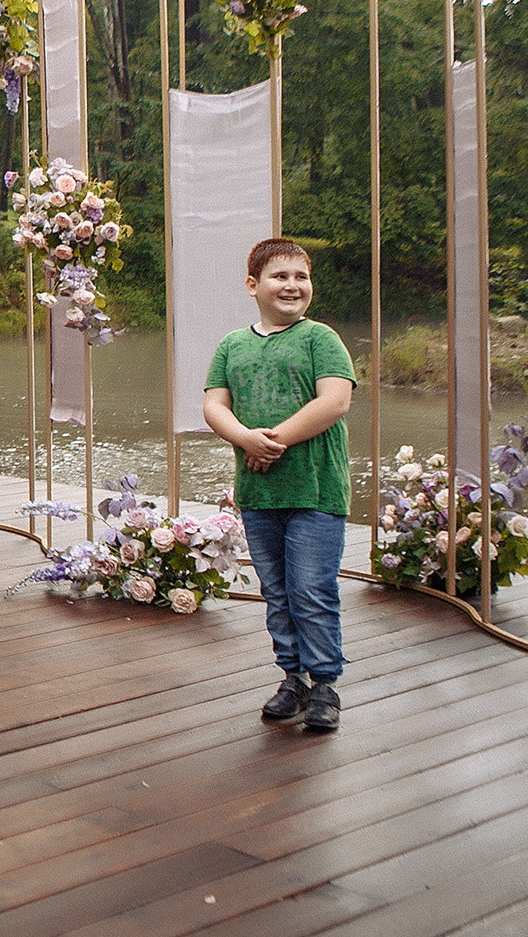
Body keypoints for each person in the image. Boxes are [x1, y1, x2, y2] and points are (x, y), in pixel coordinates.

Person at [203, 237, 357, 734]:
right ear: (253, 285)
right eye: (279, 276)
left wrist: (273, 442)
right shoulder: (232, 345)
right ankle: (291, 678)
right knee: (278, 592)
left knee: (312, 589)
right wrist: (245, 437)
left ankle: (325, 684)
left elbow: (334, 402)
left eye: (301, 277)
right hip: (260, 494)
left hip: (315, 491)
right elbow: (214, 405)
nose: (292, 286)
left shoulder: (320, 339)